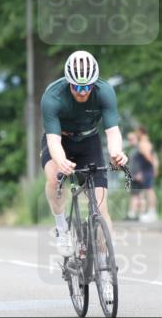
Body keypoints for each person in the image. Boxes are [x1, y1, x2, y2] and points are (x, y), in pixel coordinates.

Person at [40, 50, 128, 260]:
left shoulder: (104, 92)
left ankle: (102, 264)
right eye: (77, 86)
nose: (82, 91)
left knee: (99, 205)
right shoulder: (52, 96)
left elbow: (113, 132)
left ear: (94, 83)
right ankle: (61, 228)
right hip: (61, 140)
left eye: (87, 86)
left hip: (89, 141)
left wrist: (117, 153)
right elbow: (53, 140)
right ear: (69, 82)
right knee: (54, 178)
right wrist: (61, 161)